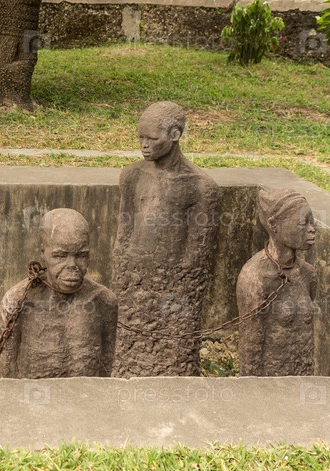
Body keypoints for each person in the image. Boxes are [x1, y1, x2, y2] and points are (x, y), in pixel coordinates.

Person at [111, 101, 219, 377]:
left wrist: (176, 285)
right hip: (133, 280)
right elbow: (124, 231)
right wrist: (125, 274)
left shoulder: (200, 186)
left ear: (174, 135)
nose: (144, 145)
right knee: (130, 345)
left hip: (173, 284)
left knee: (171, 351)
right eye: (140, 138)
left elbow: (197, 253)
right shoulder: (131, 175)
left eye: (151, 139)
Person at [0, 208, 117, 378]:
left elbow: (106, 370)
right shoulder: (18, 301)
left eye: (81, 255)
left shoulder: (103, 301)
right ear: (43, 253)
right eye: (60, 256)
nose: (72, 265)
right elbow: (5, 376)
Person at [237, 188, 317, 376]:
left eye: (312, 221)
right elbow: (250, 349)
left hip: (303, 377)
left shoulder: (308, 274)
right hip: (271, 382)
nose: (311, 229)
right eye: (303, 223)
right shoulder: (255, 277)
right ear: (274, 225)